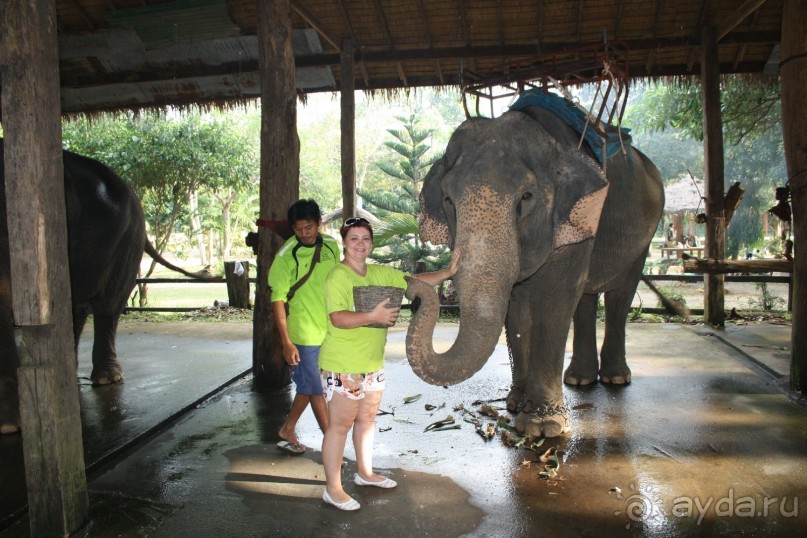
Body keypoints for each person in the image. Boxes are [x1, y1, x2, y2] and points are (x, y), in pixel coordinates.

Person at [318, 217, 461, 511]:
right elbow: (337, 318)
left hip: (372, 363)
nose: (360, 244)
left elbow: (415, 283)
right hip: (342, 364)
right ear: (344, 242)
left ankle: (366, 473)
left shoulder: (379, 272)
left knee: (367, 420)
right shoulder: (338, 277)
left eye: (365, 239)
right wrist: (373, 317)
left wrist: (447, 271)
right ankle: (332, 489)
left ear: (371, 243)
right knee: (339, 426)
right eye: (354, 238)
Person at [268, 199, 339, 454]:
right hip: (303, 332)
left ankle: (288, 428)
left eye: (309, 227)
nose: (304, 234)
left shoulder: (331, 247)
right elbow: (277, 299)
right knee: (316, 388)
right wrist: (287, 342)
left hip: (329, 331)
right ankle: (332, 446)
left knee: (309, 385)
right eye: (298, 229)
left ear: (319, 222)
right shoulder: (287, 255)